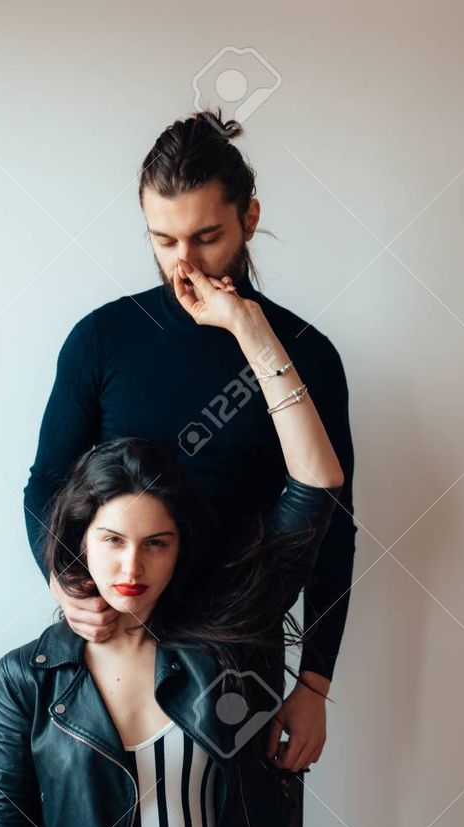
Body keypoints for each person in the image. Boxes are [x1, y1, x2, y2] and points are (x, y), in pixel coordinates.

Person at [0, 260, 345, 827]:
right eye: (110, 540)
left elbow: (316, 488)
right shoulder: (29, 679)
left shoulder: (225, 648)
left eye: (156, 543)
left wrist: (251, 329)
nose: (131, 566)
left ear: (183, 550)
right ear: (76, 540)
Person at [24, 107, 357, 776]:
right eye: (163, 239)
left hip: (238, 657)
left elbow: (334, 530)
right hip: (114, 644)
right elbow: (46, 486)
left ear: (249, 219)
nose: (184, 261)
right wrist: (65, 582)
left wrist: (314, 683)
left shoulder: (308, 356)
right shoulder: (102, 340)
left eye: (206, 236)